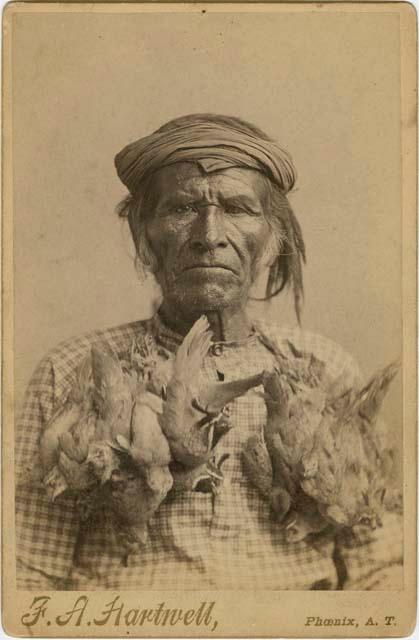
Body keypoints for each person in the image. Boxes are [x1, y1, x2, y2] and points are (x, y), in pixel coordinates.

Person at [15, 113, 402, 590]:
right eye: (181, 209)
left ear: (272, 238)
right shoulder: (72, 371)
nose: (209, 233)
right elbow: (26, 572)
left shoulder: (327, 370)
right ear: (143, 236)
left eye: (238, 208)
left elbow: (380, 570)